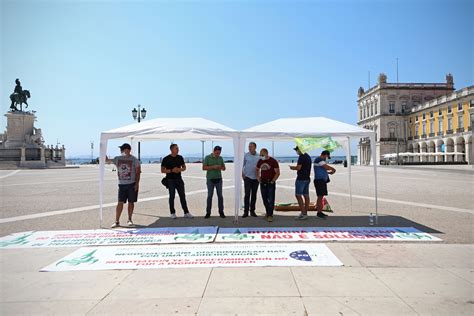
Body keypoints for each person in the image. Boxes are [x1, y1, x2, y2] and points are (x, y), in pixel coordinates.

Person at [105, 143, 141, 228]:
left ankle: (129, 219)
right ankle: (117, 221)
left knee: (131, 203)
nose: (121, 151)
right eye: (121, 150)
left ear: (128, 150)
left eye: (122, 149)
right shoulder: (118, 159)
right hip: (121, 185)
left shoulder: (134, 160)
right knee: (120, 203)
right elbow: (107, 161)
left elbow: (138, 172)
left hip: (131, 184)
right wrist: (104, 155)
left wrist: (137, 184)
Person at [161, 144, 193, 219]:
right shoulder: (166, 159)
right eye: (176, 148)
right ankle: (172, 213)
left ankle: (186, 212)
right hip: (170, 180)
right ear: (172, 149)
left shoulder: (180, 157)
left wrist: (180, 169)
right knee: (172, 196)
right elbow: (162, 170)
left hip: (179, 179)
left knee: (182, 196)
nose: (178, 149)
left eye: (178, 148)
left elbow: (184, 167)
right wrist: (172, 170)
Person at [256, 148, 280, 222]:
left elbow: (277, 172)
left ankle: (270, 215)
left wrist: (273, 181)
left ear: (266, 154)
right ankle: (267, 212)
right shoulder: (260, 161)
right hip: (262, 182)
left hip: (270, 182)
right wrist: (258, 177)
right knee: (264, 199)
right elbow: (257, 169)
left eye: (262, 155)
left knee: (271, 199)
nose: (261, 156)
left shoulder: (273, 161)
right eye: (260, 155)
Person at [203, 145, 226, 218]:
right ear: (213, 151)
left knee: (220, 196)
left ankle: (221, 212)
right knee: (209, 196)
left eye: (219, 153)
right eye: (216, 153)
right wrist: (213, 167)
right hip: (210, 179)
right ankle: (208, 212)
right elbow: (204, 168)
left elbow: (224, 168)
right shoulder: (207, 157)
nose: (217, 155)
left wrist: (221, 167)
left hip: (219, 179)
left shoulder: (220, 158)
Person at [289, 146, 312, 220]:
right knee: (306, 195)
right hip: (307, 178)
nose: (296, 151)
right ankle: (305, 212)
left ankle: (303, 213)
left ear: (300, 149)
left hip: (301, 178)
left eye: (297, 150)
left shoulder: (301, 156)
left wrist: (293, 168)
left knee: (298, 195)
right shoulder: (308, 156)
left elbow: (299, 167)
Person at [313, 150, 336, 219]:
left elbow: (322, 169)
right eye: (327, 157)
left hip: (321, 181)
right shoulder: (319, 159)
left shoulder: (320, 160)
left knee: (321, 196)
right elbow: (325, 166)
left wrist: (328, 173)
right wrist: (333, 169)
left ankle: (320, 211)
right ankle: (319, 212)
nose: (327, 158)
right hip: (319, 181)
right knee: (320, 197)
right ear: (325, 155)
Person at [242, 142, 260, 217]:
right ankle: (246, 212)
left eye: (251, 146)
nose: (249, 148)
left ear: (255, 147)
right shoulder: (246, 155)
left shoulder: (259, 156)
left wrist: (259, 176)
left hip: (256, 178)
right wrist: (242, 175)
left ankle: (252, 211)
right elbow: (242, 165)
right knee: (247, 195)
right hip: (248, 178)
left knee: (254, 195)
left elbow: (262, 166)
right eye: (249, 146)